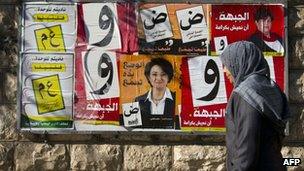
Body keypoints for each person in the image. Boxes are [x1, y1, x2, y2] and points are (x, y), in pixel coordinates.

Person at [220, 41, 290, 171]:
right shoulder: (272, 88)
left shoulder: (245, 95)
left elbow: (246, 153)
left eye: (227, 64)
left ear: (240, 61)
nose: (224, 70)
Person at [134, 57, 180, 129]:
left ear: (169, 77)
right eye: (154, 74)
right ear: (149, 77)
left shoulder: (178, 99)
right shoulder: (138, 101)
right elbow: (135, 128)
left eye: (163, 74)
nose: (159, 78)